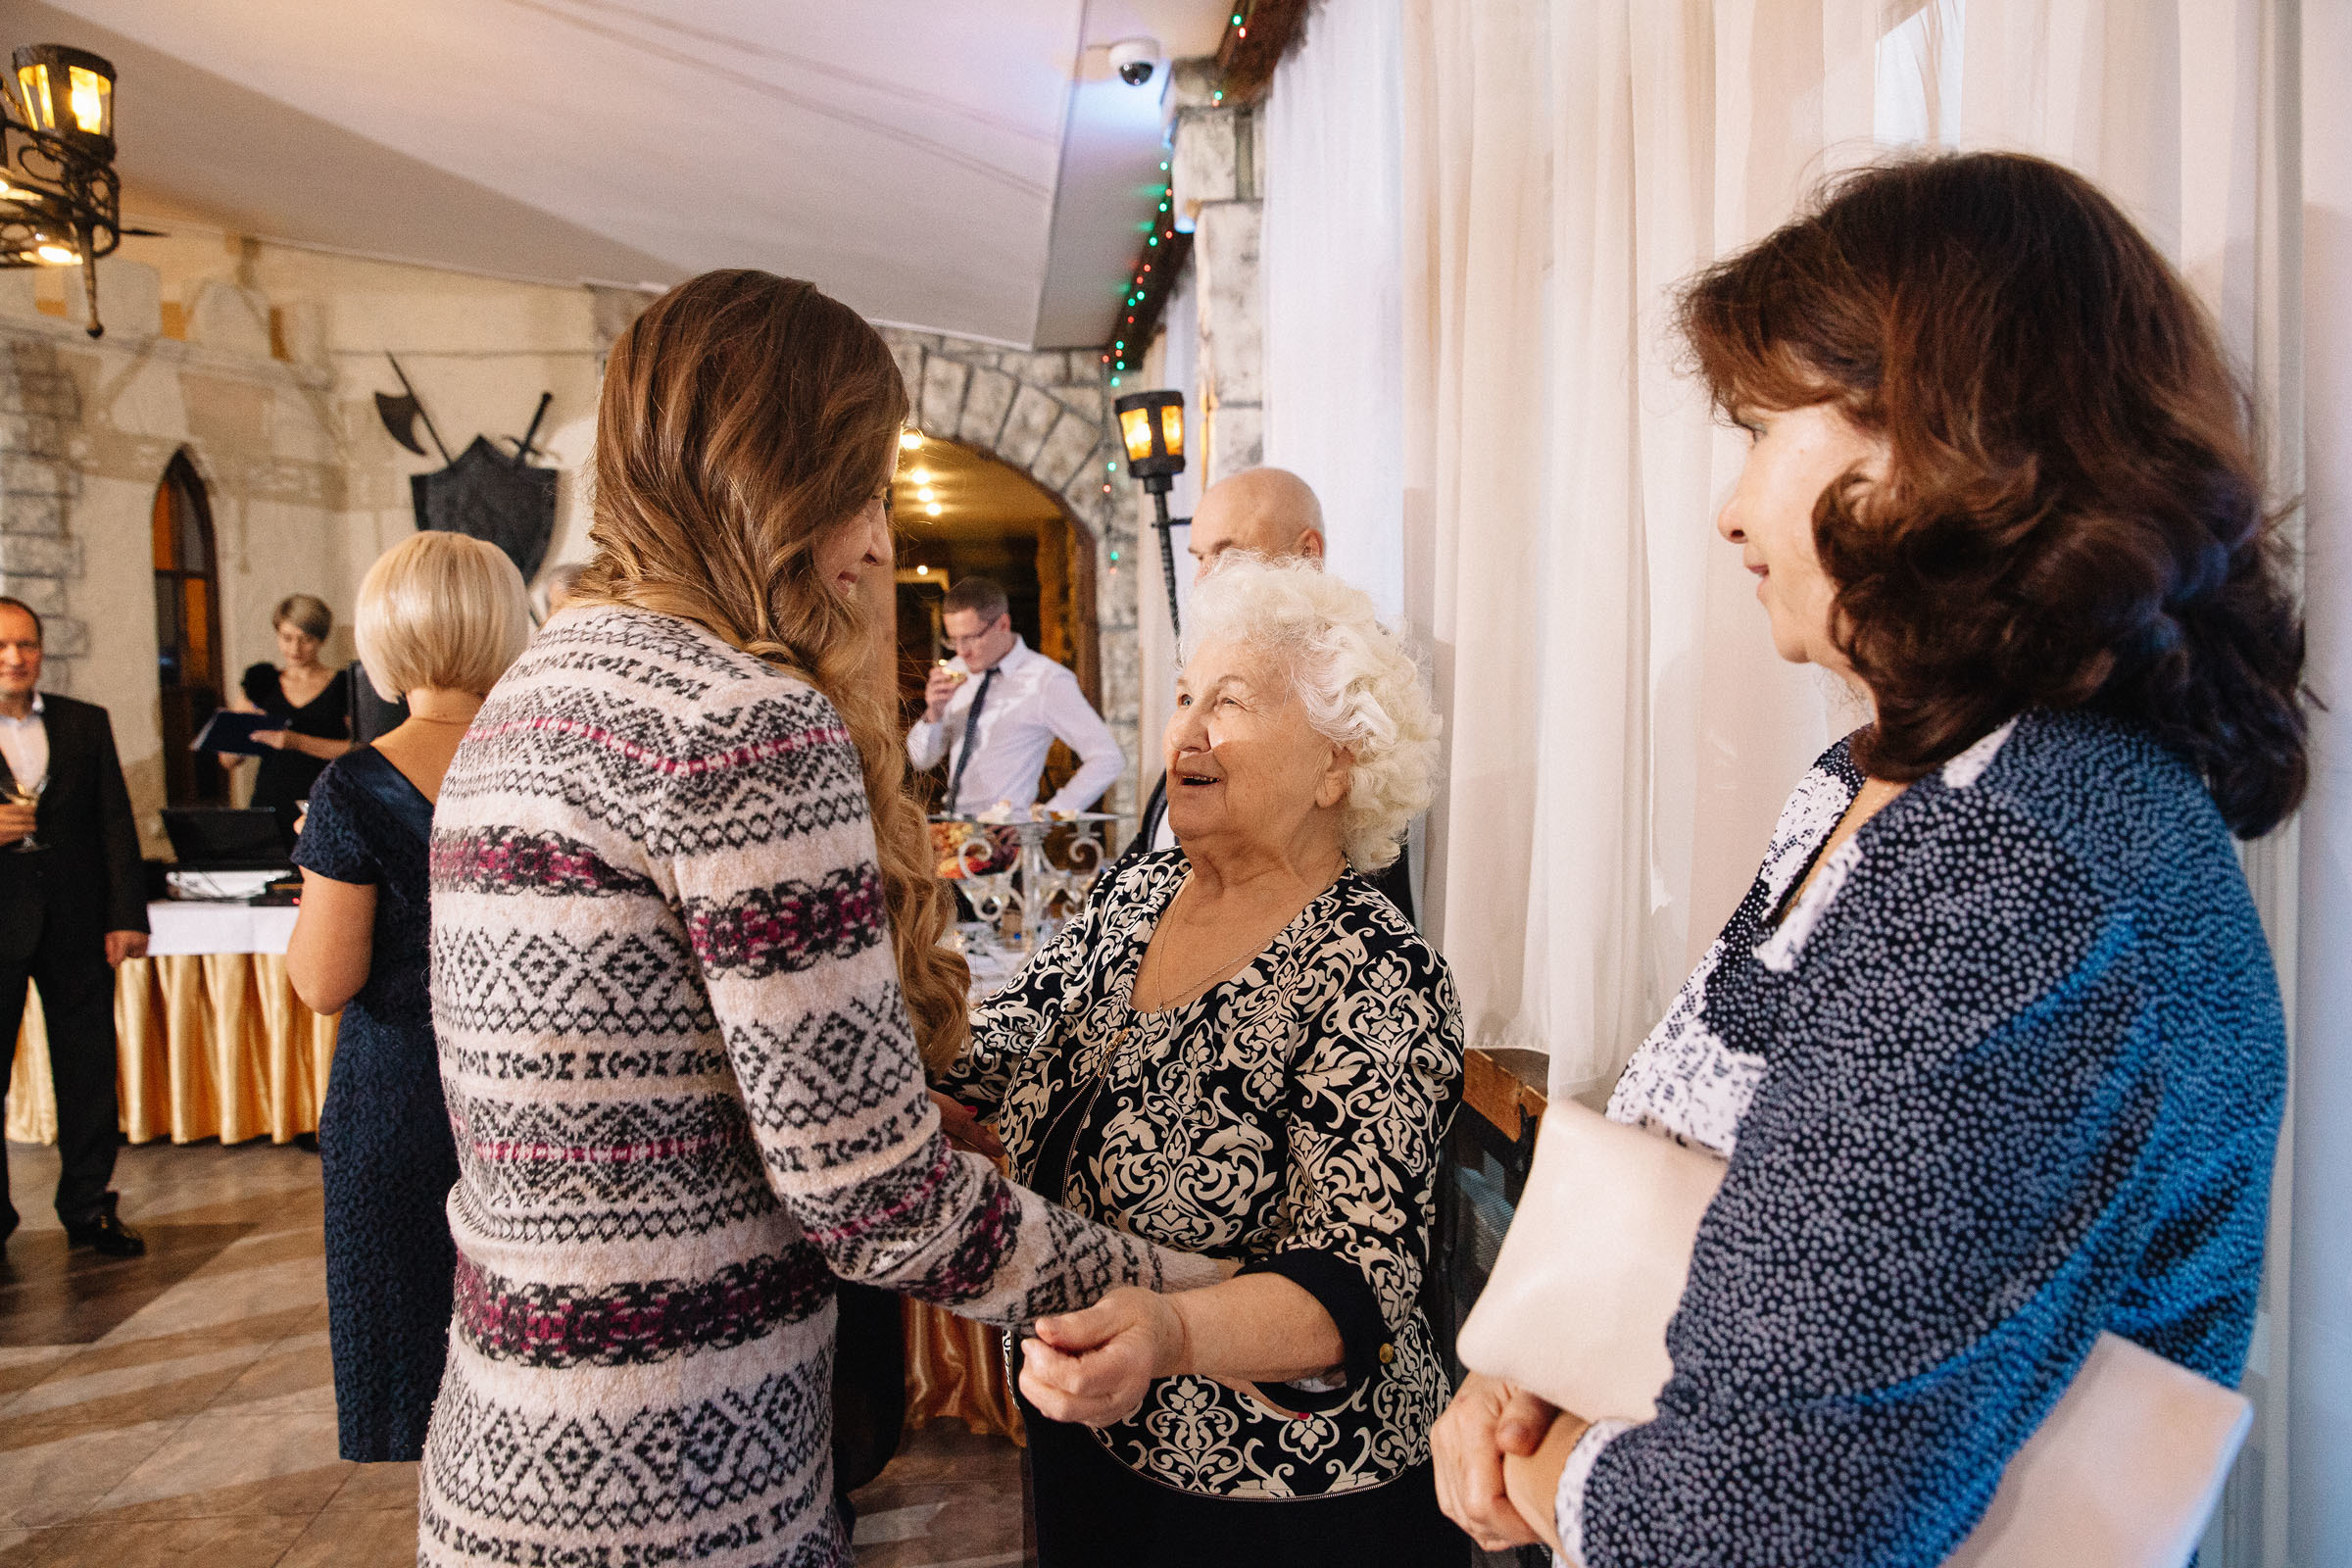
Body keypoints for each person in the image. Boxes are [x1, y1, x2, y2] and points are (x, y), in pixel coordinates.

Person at [1432, 151, 2303, 1567]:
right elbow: (1712, 1182)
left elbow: (1767, 1522)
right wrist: (1530, 1364)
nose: (1729, 509)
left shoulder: (2018, 865)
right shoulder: (1873, 782)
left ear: (1940, 440)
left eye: (1763, 429)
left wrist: (1548, 1468)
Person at [418, 270, 1218, 1568]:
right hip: (677, 1481)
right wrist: (1203, 1297)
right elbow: (877, 1206)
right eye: (867, 487)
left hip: (503, 1454)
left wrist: (899, 1103)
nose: (879, 543)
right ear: (787, 484)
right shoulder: (739, 723)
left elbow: (631, 1094)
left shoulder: (534, 689)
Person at [938, 557, 1466, 1567]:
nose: (1186, 732)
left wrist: (1172, 1335)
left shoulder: (1376, 970)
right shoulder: (1139, 896)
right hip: (1090, 1440)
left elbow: (1355, 1281)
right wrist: (911, 1083)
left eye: (1229, 702)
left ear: (1337, 763)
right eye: (1185, 698)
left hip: (1284, 1504)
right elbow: (1009, 1040)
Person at [285, 531, 532, 1465]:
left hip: (401, 1090)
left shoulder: (353, 787)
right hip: (530, 1087)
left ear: (384, 634)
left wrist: (314, 871)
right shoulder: (542, 766)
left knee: (417, 1362)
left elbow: (323, 982)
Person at [1125, 468, 1418, 922]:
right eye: (1199, 558)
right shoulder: (1127, 894)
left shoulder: (1353, 676)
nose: (1203, 579)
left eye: (1227, 554)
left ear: (1308, 553)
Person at [0, 596, 150, 1256]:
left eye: (26, 644)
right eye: (2, 646)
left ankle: (89, 1206)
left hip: (78, 925)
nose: (15, 657)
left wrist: (126, 915)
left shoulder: (85, 722)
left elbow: (114, 821)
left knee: (88, 1072)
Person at [907, 575, 1123, 817]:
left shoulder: (1047, 680)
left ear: (1002, 624)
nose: (961, 651)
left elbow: (1107, 758)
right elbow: (920, 760)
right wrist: (933, 713)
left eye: (970, 638)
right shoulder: (956, 670)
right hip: (953, 826)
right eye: (953, 639)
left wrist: (1044, 817)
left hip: (1007, 830)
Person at [225, 593, 352, 844]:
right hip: (271, 802)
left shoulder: (343, 685)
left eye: (306, 640)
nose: (295, 649)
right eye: (287, 638)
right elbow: (228, 759)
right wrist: (243, 729)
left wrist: (296, 742)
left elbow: (359, 750)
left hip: (326, 801)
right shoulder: (261, 682)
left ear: (322, 639)